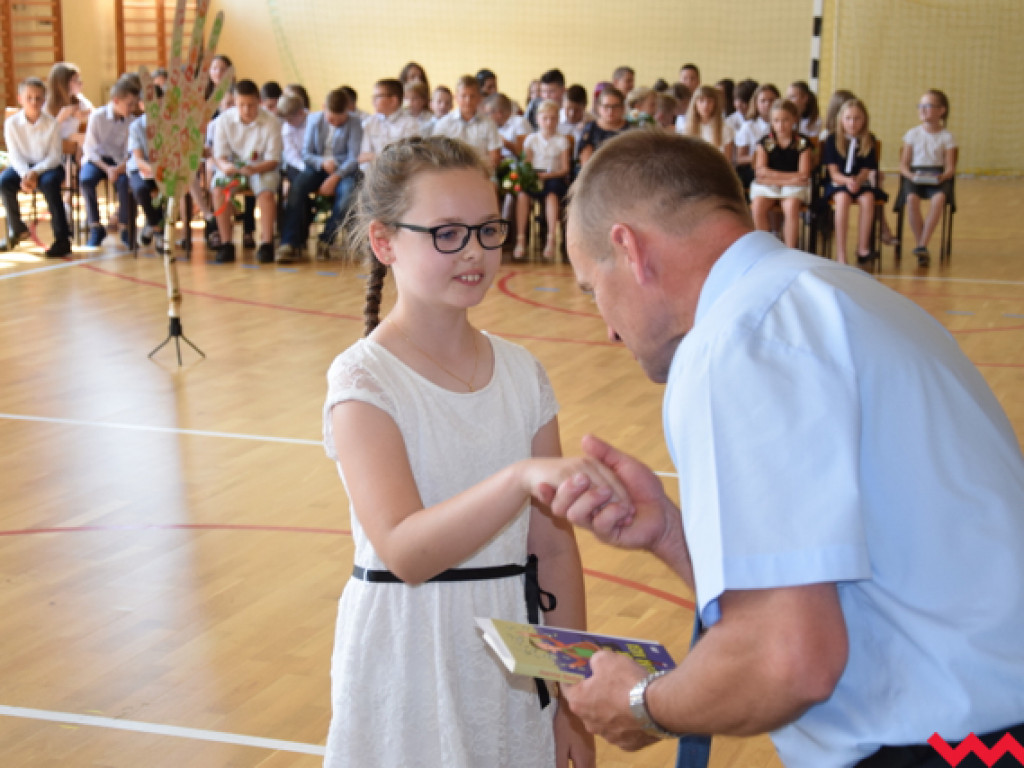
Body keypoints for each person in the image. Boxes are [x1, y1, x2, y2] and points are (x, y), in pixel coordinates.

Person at [547, 128, 1024, 768]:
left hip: (945, 747)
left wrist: (639, 702)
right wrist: (668, 534)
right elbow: (833, 592)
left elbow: (789, 661)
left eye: (591, 288)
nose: (605, 325)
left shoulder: (734, 342)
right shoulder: (833, 294)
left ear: (628, 249)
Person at [322, 134, 603, 768]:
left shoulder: (522, 372)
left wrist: (573, 701)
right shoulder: (363, 381)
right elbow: (406, 550)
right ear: (385, 241)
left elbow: (553, 547)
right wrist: (518, 479)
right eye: (447, 233)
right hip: (409, 656)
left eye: (487, 229)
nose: (474, 251)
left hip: (511, 653)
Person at [276, 87, 361, 263]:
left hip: (344, 170)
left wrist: (336, 176)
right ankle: (289, 242)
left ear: (348, 111)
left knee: (347, 196)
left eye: (340, 119)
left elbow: (354, 158)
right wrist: (322, 162)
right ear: (324, 108)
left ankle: (326, 239)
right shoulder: (314, 120)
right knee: (297, 188)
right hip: (317, 166)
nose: (336, 123)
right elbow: (306, 153)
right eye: (331, 119)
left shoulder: (355, 122)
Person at [211, 78, 282, 264]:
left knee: (266, 194)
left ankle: (266, 244)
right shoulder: (224, 121)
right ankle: (226, 243)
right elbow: (219, 155)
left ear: (259, 102)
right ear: (235, 102)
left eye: (250, 105)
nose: (246, 110)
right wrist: (226, 168)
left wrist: (253, 169)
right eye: (241, 105)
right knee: (218, 190)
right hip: (232, 167)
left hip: (261, 167)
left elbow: (273, 160)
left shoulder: (271, 121)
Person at [1, 77, 72, 257]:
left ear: (44, 100)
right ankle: (18, 229)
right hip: (23, 167)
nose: (34, 101)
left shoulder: (52, 123)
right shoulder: (11, 124)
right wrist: (26, 174)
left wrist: (35, 172)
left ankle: (62, 240)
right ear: (20, 99)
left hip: (48, 166)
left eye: (38, 98)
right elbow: (14, 155)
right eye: (29, 97)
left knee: (49, 184)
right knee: (4, 182)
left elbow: (55, 157)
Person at [895, 89, 957, 267]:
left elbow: (950, 168)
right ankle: (920, 244)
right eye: (920, 106)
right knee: (912, 199)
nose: (922, 110)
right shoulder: (912, 134)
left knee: (939, 199)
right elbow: (903, 165)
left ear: (941, 110)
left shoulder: (947, 137)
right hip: (915, 175)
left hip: (937, 176)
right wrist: (911, 176)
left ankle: (923, 244)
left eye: (928, 106)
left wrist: (942, 177)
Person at [822, 98, 886, 265]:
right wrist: (847, 181)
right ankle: (841, 254)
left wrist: (858, 180)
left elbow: (866, 169)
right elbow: (833, 173)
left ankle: (863, 248)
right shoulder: (832, 140)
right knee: (843, 200)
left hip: (860, 182)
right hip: (839, 183)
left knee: (868, 199)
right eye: (848, 118)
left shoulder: (868, 139)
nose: (852, 123)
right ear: (841, 119)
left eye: (857, 118)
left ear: (864, 120)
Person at [80, 74, 140, 248]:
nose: (132, 108)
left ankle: (124, 227)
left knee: (125, 183)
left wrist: (119, 168)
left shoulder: (132, 121)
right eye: (129, 104)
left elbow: (131, 152)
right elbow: (90, 150)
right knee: (86, 180)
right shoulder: (97, 117)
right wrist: (107, 169)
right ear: (116, 101)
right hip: (98, 161)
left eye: (134, 104)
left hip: (120, 162)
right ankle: (95, 227)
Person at [750, 99, 812, 249]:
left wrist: (774, 177)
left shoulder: (802, 143)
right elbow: (760, 172)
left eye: (785, 120)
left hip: (792, 188)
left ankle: (790, 250)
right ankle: (764, 249)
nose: (781, 125)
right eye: (776, 121)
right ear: (771, 122)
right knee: (757, 206)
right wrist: (791, 177)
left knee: (791, 206)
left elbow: (804, 175)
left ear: (794, 120)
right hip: (772, 185)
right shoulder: (766, 143)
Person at [515, 100, 571, 260]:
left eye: (553, 118)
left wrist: (547, 176)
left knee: (552, 195)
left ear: (558, 120)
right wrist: (532, 175)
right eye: (545, 118)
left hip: (554, 176)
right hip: (534, 175)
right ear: (538, 119)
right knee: (522, 195)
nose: (549, 122)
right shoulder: (531, 139)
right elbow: (527, 164)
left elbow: (565, 168)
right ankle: (521, 239)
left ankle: (551, 239)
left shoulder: (562, 141)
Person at [430, 75, 501, 171]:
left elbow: (495, 157)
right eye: (464, 96)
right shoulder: (444, 124)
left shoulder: (488, 124)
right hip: (451, 174)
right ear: (456, 98)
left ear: (479, 98)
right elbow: (436, 154)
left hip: (481, 173)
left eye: (472, 96)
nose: (468, 100)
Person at [126, 86, 165, 251]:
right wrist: (153, 169)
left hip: (163, 169)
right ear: (142, 105)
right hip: (141, 168)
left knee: (173, 191)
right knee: (141, 189)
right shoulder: (136, 127)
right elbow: (139, 159)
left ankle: (150, 225)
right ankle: (158, 231)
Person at [358, 78, 421, 173]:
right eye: (373, 97)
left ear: (393, 100)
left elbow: (409, 157)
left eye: (378, 97)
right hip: (372, 175)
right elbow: (363, 158)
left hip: (399, 176)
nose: (373, 101)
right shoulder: (369, 123)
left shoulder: (410, 124)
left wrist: (374, 156)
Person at [577, 86, 630, 166]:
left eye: (615, 107)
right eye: (606, 106)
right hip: (596, 173)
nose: (610, 111)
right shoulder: (591, 128)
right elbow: (586, 163)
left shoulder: (631, 130)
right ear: (599, 108)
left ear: (622, 108)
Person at [45, 62, 94, 143]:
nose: (80, 82)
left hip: (72, 140)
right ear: (63, 83)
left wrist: (83, 113)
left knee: (89, 139)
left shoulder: (78, 98)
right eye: (75, 80)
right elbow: (46, 134)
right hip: (54, 143)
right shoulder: (47, 104)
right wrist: (61, 117)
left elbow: (94, 113)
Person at [685, 85, 734, 156]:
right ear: (695, 104)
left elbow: (727, 161)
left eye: (710, 101)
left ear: (715, 104)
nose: (705, 105)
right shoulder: (686, 129)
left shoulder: (725, 129)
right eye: (701, 101)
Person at [484, 92, 530, 160]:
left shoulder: (519, 123)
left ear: (499, 113)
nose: (487, 117)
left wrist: (502, 140)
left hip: (516, 168)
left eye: (488, 114)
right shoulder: (494, 126)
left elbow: (522, 154)